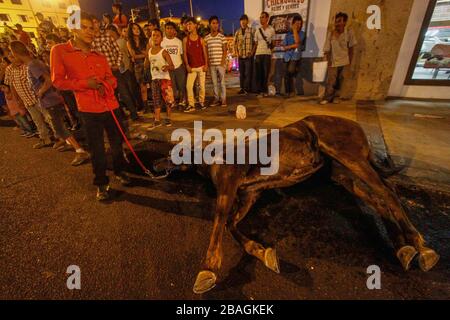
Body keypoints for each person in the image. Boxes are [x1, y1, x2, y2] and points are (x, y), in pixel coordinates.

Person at [51, 12, 131, 201]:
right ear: (74, 28)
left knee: (117, 144)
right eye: (84, 27)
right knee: (97, 150)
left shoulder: (99, 56)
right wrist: (85, 84)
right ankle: (102, 184)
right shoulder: (60, 50)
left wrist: (106, 85)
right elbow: (58, 81)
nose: (90, 31)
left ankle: (120, 171)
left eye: (92, 27)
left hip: (110, 106)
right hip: (89, 109)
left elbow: (112, 79)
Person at [10, 41, 90, 166]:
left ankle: (80, 151)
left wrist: (40, 93)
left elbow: (49, 80)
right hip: (53, 99)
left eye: (12, 54)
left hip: (50, 100)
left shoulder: (33, 65)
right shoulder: (35, 63)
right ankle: (68, 142)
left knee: (59, 127)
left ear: (16, 54)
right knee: (60, 125)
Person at [92, 19, 139, 121]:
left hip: (114, 70)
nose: (94, 24)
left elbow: (119, 53)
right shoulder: (90, 41)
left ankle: (134, 114)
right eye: (92, 22)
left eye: (96, 22)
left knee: (124, 92)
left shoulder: (107, 36)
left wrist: (117, 65)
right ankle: (120, 116)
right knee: (112, 96)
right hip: (101, 74)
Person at [4, 50, 53, 149]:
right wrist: (18, 100)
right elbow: (11, 85)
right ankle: (45, 139)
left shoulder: (27, 66)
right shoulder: (9, 69)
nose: (12, 58)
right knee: (37, 120)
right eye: (9, 56)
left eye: (12, 55)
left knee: (49, 118)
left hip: (38, 97)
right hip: (26, 99)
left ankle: (61, 138)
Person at [106, 25, 143, 119]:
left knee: (126, 92)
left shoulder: (121, 42)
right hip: (110, 72)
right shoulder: (106, 41)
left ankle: (134, 111)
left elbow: (123, 55)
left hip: (123, 70)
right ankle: (122, 114)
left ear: (112, 31)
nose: (107, 34)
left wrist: (119, 65)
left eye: (108, 31)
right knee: (116, 94)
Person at [320, 12, 357, 105]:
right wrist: (328, 61)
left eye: (340, 21)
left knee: (340, 81)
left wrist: (350, 62)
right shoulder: (331, 34)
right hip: (333, 61)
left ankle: (336, 97)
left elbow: (351, 48)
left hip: (345, 61)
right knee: (331, 81)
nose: (337, 23)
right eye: (336, 21)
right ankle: (328, 98)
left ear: (345, 22)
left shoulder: (349, 33)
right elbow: (327, 48)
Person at [147, 29, 175, 129]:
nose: (155, 37)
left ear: (161, 38)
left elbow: (172, 66)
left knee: (168, 100)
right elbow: (148, 63)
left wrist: (167, 67)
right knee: (156, 100)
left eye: (157, 35)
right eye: (153, 35)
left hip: (165, 79)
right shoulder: (149, 51)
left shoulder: (164, 52)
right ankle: (157, 119)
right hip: (154, 79)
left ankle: (168, 117)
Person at [183, 17, 208, 113]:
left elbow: (205, 53)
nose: (188, 26)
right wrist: (187, 65)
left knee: (202, 86)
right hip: (192, 67)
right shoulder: (185, 40)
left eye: (190, 24)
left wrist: (206, 65)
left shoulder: (201, 39)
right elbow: (185, 53)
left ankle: (201, 102)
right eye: (187, 24)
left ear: (195, 25)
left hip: (201, 66)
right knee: (189, 86)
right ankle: (191, 104)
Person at [162, 21, 186, 108]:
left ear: (174, 30)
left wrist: (184, 65)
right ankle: (173, 101)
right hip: (168, 68)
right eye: (167, 28)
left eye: (171, 28)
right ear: (165, 30)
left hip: (178, 66)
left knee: (181, 85)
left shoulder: (178, 42)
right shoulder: (162, 42)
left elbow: (182, 54)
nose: (169, 30)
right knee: (172, 87)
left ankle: (182, 101)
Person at [205, 16, 228, 107]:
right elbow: (206, 51)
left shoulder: (222, 37)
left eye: (216, 23)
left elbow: (225, 50)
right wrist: (208, 62)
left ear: (218, 25)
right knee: (214, 83)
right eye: (213, 23)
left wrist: (222, 62)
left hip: (220, 64)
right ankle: (216, 99)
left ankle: (223, 100)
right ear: (210, 24)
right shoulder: (206, 38)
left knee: (222, 82)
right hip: (212, 64)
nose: (215, 25)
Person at [252, 12, 275, 97]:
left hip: (267, 54)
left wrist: (272, 52)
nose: (261, 19)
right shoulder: (258, 30)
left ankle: (265, 91)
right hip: (258, 54)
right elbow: (255, 43)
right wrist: (252, 53)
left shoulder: (271, 30)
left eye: (263, 17)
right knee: (259, 73)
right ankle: (260, 92)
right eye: (260, 17)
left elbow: (273, 43)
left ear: (267, 18)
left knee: (266, 73)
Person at [282, 15, 305, 97]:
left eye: (300, 24)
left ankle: (291, 91)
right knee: (286, 75)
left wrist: (295, 31)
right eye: (296, 24)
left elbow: (298, 42)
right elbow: (284, 46)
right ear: (293, 24)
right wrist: (292, 46)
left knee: (290, 71)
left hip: (295, 57)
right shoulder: (288, 34)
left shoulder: (302, 33)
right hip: (286, 57)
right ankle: (288, 92)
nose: (298, 25)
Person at [127, 23, 149, 108]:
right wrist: (144, 54)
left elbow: (148, 54)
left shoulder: (145, 40)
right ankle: (146, 106)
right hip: (138, 66)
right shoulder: (129, 42)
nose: (137, 30)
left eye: (138, 28)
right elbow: (134, 56)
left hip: (147, 63)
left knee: (153, 85)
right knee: (143, 87)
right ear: (131, 31)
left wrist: (142, 54)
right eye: (134, 29)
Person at [234, 14, 254, 95]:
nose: (242, 22)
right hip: (240, 56)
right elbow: (234, 43)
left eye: (244, 20)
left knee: (248, 73)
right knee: (241, 73)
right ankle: (242, 88)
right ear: (240, 22)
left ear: (247, 21)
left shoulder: (251, 30)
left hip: (248, 56)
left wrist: (252, 53)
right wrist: (237, 53)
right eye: (241, 20)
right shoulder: (237, 32)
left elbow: (255, 43)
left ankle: (247, 89)